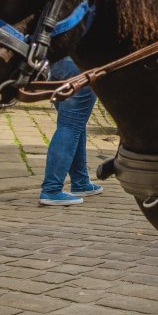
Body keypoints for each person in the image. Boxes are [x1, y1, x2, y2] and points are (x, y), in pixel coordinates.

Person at [39, 57, 103, 206]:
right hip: (80, 70)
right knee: (70, 126)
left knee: (74, 124)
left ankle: (80, 182)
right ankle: (52, 190)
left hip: (53, 66)